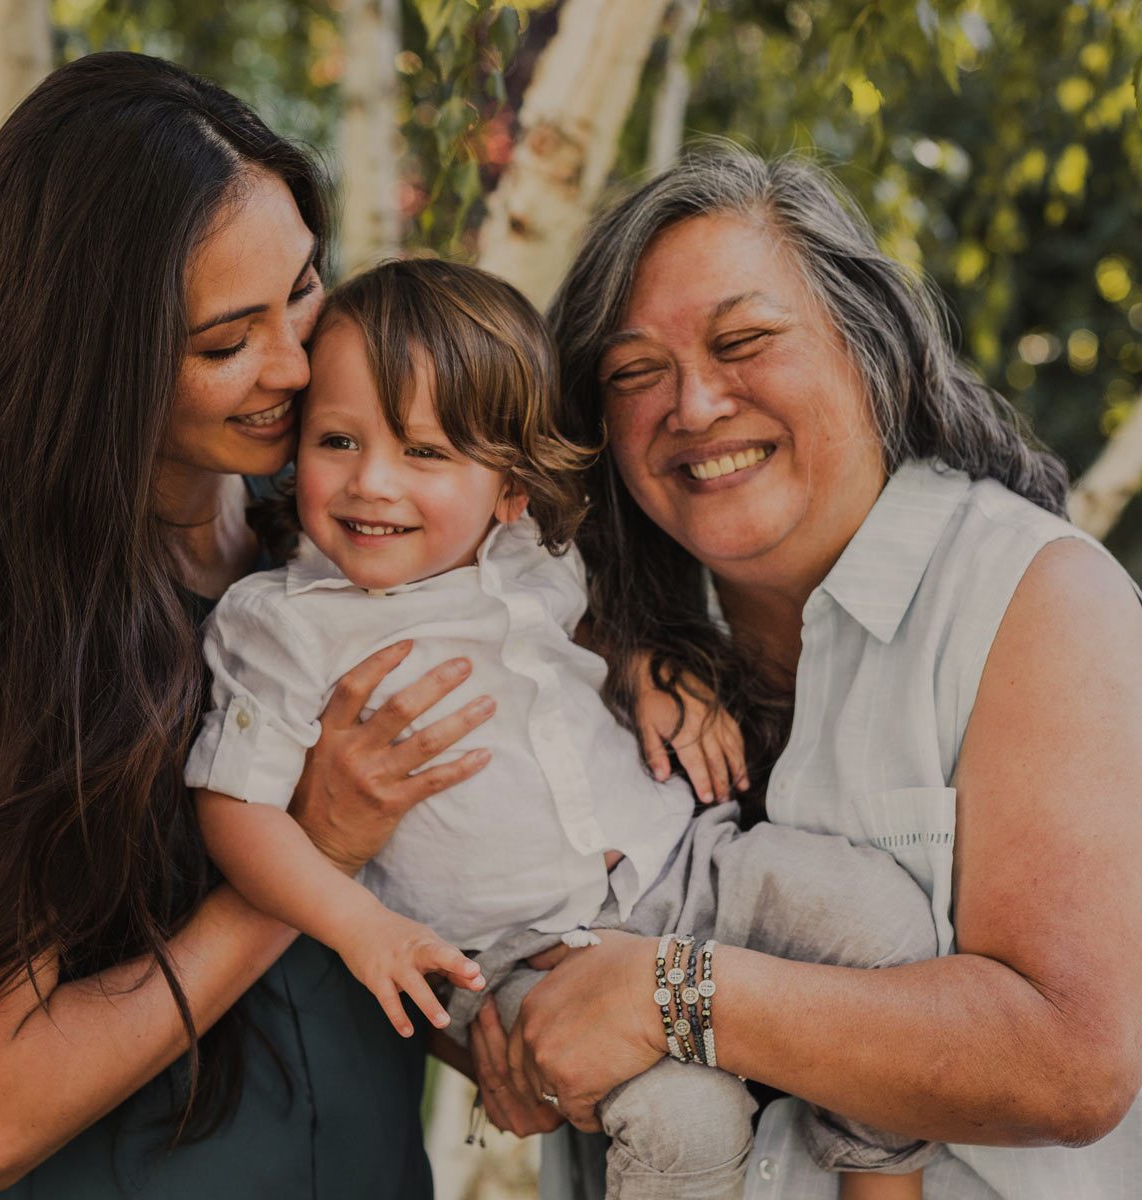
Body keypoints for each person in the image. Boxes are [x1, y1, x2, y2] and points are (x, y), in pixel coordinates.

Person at [460, 145, 1142, 1199]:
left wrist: (667, 994)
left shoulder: (1034, 599)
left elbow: (1069, 1063)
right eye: (636, 372)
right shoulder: (583, 646)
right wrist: (512, 1044)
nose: (692, 404)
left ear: (870, 350)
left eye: (745, 342)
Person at [187, 257, 944, 1199]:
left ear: (509, 486)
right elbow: (233, 807)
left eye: (426, 453)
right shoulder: (281, 625)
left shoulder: (535, 557)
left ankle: (881, 1179)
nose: (372, 483)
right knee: (686, 1124)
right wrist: (360, 928)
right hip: (522, 967)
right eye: (338, 441)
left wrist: (644, 668)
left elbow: (591, 629)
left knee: (879, 913)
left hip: (686, 869)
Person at [0, 53, 495, 1198]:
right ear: (96, 361)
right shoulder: (9, 627)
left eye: (302, 288)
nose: (295, 366)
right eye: (224, 343)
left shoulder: (346, 535)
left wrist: (654, 666)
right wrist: (308, 856)